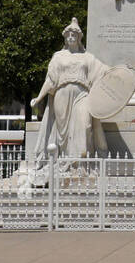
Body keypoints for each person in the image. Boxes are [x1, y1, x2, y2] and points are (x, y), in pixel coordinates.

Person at [30, 18, 111, 161]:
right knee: (63, 133)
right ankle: (67, 162)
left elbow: (103, 71)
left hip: (82, 95)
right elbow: (50, 80)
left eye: (74, 35)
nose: (71, 37)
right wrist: (39, 97)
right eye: (68, 35)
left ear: (79, 38)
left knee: (85, 124)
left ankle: (81, 160)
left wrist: (118, 75)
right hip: (62, 95)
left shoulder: (88, 57)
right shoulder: (58, 56)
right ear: (65, 38)